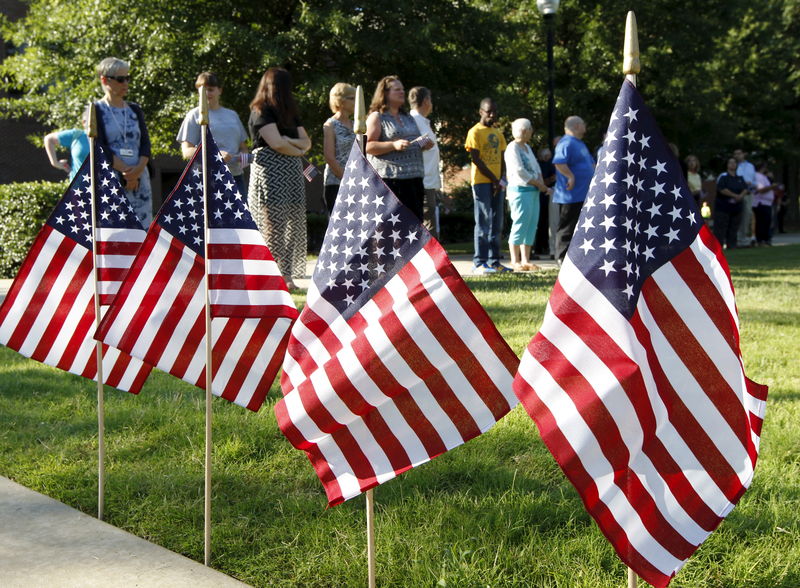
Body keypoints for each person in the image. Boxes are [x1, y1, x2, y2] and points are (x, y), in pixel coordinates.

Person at [248, 67, 311, 290]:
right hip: (271, 173)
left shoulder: (290, 113)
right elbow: (275, 143)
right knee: (273, 225)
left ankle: (287, 275)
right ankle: (271, 275)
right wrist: (295, 147)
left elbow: (307, 143)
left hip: (292, 173)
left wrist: (290, 143)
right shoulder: (260, 110)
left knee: (292, 224)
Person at [94, 57, 153, 225]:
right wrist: (127, 173)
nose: (125, 83)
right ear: (105, 80)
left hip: (140, 178)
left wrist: (137, 171)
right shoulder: (96, 110)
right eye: (120, 79)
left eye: (128, 78)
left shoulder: (135, 109)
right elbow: (99, 146)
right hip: (112, 178)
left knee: (143, 230)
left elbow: (145, 144)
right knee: (116, 232)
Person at [365, 75, 431, 221]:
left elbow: (411, 144)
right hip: (390, 182)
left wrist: (423, 144)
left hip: (414, 180)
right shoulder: (377, 117)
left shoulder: (408, 118)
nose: (402, 92)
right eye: (397, 89)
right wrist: (393, 145)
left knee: (415, 229)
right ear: (385, 93)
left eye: (402, 89)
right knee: (393, 230)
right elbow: (367, 145)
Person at [177, 72, 249, 196]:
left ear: (220, 90)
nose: (206, 93)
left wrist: (243, 158)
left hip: (235, 178)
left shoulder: (232, 115)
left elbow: (243, 147)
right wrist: (216, 155)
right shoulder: (194, 115)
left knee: (240, 215)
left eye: (210, 89)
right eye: (202, 89)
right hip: (206, 179)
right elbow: (186, 151)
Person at [465, 98, 509, 274]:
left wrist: (501, 179)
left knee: (497, 224)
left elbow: (502, 158)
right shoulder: (474, 132)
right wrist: (494, 179)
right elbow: (476, 159)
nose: (492, 115)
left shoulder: (498, 133)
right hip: (482, 182)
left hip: (497, 183)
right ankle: (479, 262)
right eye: (488, 111)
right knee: (483, 222)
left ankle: (494, 261)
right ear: (480, 111)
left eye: (494, 112)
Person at [504, 119, 552, 271]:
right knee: (519, 223)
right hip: (520, 191)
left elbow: (536, 167)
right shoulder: (512, 148)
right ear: (524, 130)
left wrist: (541, 183)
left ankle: (525, 260)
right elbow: (519, 171)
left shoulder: (527, 147)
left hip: (533, 191)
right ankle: (514, 260)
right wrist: (540, 185)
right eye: (530, 129)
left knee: (531, 225)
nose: (532, 131)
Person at [552, 116, 594, 263]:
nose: (585, 126)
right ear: (576, 126)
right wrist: (570, 176)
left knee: (578, 227)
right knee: (567, 227)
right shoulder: (566, 143)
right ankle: (562, 258)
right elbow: (559, 162)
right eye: (583, 123)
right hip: (570, 195)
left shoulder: (579, 143)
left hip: (583, 194)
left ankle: (575, 258)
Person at [409, 86, 442, 239]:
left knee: (430, 223)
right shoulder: (413, 120)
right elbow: (409, 145)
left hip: (429, 181)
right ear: (426, 101)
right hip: (422, 181)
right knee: (428, 225)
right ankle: (432, 260)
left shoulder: (423, 121)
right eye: (430, 99)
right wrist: (424, 141)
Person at [322, 83, 356, 214]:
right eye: (352, 98)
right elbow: (329, 157)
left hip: (356, 182)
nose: (356, 102)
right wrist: (347, 179)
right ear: (340, 100)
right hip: (336, 183)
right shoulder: (330, 124)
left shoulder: (356, 125)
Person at [714, 156, 748, 249]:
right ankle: (718, 246)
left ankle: (732, 245)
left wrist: (740, 196)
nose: (732, 164)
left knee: (734, 227)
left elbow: (745, 188)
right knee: (721, 227)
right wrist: (734, 195)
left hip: (736, 207)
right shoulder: (723, 177)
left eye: (734, 163)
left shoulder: (740, 178)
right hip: (723, 206)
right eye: (730, 162)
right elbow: (722, 189)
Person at [43, 113, 90, 181]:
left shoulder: (108, 138)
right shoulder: (77, 135)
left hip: (104, 188)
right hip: (79, 188)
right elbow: (49, 139)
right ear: (83, 122)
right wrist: (55, 163)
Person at [534, 146, 556, 258]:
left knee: (547, 221)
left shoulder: (550, 164)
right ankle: (538, 247)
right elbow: (543, 180)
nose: (548, 158)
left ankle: (544, 245)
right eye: (546, 156)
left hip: (548, 194)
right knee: (540, 221)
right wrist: (549, 181)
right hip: (541, 194)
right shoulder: (538, 165)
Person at [734, 148, 756, 247]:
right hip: (735, 194)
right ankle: (736, 239)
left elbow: (753, 181)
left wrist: (750, 184)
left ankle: (743, 239)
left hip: (747, 194)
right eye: (735, 154)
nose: (737, 155)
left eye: (739, 153)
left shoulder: (750, 166)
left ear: (744, 154)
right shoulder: (733, 165)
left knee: (747, 216)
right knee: (736, 217)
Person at [752, 162, 777, 246]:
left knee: (766, 222)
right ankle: (761, 240)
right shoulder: (758, 176)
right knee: (762, 222)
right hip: (761, 203)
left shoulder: (764, 177)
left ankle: (766, 239)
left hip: (767, 203)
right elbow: (761, 190)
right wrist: (772, 187)